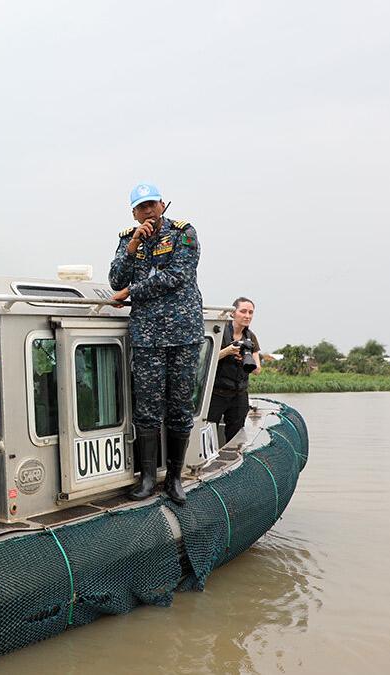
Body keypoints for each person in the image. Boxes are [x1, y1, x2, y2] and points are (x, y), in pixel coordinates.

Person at [108, 183, 204, 506]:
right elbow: (115, 280)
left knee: (179, 406)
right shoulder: (127, 239)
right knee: (147, 407)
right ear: (134, 213)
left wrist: (131, 293)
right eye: (142, 207)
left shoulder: (183, 234)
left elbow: (176, 276)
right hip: (147, 336)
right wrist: (134, 244)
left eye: (152, 204)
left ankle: (174, 478)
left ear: (162, 204)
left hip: (183, 334)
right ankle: (148, 478)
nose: (148, 210)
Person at [207, 297, 261, 444]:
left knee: (236, 436)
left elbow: (257, 370)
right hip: (216, 393)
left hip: (239, 395)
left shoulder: (251, 337)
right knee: (208, 433)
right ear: (233, 313)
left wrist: (245, 359)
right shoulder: (218, 332)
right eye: (243, 311)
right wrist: (228, 351)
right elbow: (205, 360)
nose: (247, 316)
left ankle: (234, 456)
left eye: (250, 312)